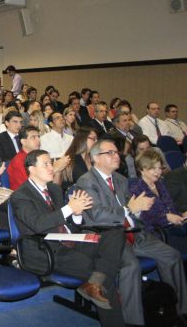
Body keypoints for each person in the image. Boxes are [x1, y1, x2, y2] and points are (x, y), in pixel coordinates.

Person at [76, 139, 187, 326]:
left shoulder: (121, 179)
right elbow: (96, 215)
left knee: (172, 255)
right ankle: (133, 322)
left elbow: (133, 210)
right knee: (131, 266)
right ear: (95, 158)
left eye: (116, 152)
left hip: (135, 232)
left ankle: (180, 310)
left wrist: (139, 210)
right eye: (110, 153)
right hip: (110, 238)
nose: (116, 156)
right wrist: (129, 209)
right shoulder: (86, 182)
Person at [11, 150, 126, 327]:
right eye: (46, 164)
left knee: (115, 232)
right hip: (45, 250)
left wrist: (77, 214)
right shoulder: (20, 195)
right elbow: (37, 225)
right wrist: (69, 209)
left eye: (51, 163)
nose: (52, 167)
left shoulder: (55, 190)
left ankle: (93, 284)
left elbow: (70, 223)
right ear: (31, 169)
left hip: (70, 241)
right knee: (101, 270)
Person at [129, 149, 187, 254]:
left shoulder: (160, 184)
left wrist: (182, 215)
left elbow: (171, 207)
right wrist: (166, 218)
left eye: (159, 168)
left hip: (174, 228)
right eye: (153, 168)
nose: (158, 172)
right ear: (142, 169)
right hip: (158, 234)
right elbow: (143, 220)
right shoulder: (136, 190)